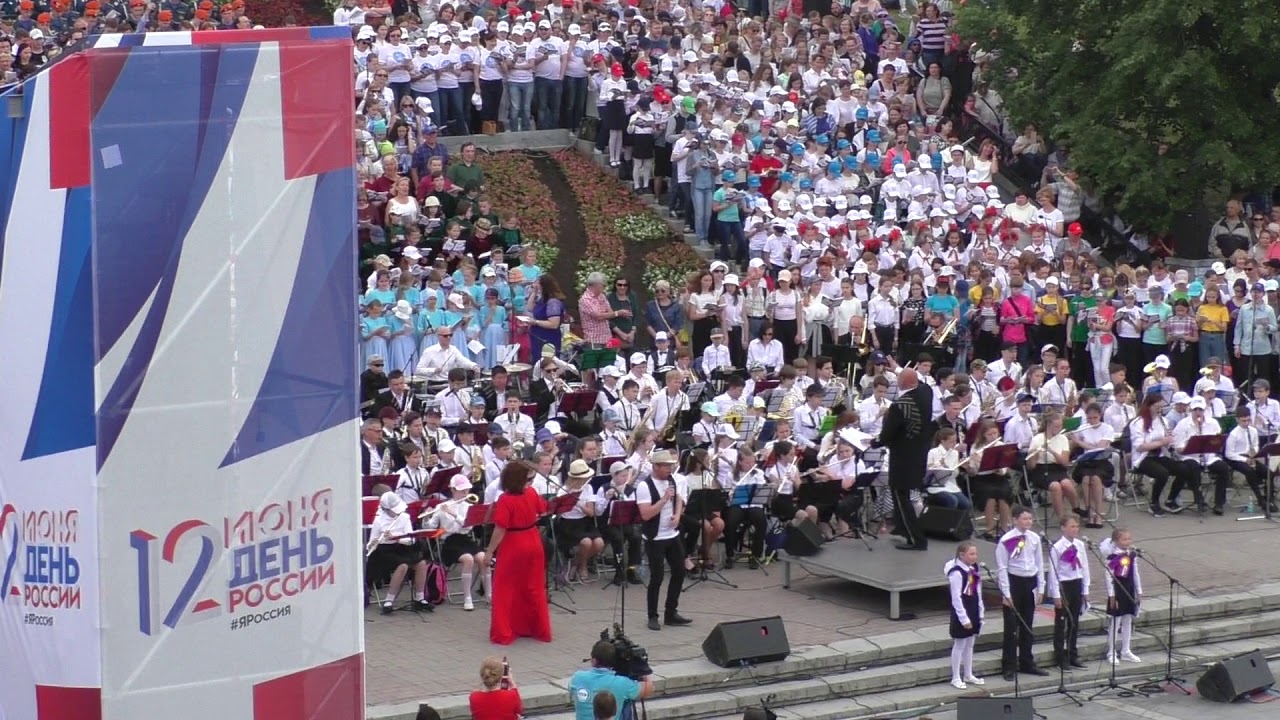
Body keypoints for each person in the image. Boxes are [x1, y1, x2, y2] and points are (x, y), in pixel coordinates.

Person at [484, 461, 552, 644]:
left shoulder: (505, 500)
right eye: (528, 479)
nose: (531, 482)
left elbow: (500, 529)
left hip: (513, 544)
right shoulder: (532, 493)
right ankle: (537, 628)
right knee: (534, 587)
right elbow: (542, 510)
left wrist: (489, 552)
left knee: (505, 588)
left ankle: (504, 631)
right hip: (533, 540)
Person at [878, 368, 934, 550]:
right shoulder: (926, 393)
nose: (897, 381)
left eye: (899, 378)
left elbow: (886, 435)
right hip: (919, 455)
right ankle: (903, 529)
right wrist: (897, 367)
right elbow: (922, 383)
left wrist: (873, 442)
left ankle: (916, 538)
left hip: (902, 459)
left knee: (900, 496)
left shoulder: (899, 405)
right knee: (904, 496)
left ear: (903, 382)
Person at [635, 449, 691, 631]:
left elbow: (679, 499)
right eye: (666, 466)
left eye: (671, 465)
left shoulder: (671, 480)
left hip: (672, 535)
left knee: (679, 572)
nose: (669, 469)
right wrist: (664, 499)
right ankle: (652, 616)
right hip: (655, 537)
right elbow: (646, 514)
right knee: (657, 577)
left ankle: (671, 613)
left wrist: (677, 515)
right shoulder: (644, 486)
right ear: (656, 467)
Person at [995, 506, 1048, 681]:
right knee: (1011, 627)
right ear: (1015, 519)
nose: (1028, 522)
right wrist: (1006, 593)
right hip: (1014, 582)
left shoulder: (1034, 538)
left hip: (1029, 581)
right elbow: (1002, 567)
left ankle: (1027, 662)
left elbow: (1039, 563)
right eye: (1024, 518)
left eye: (1030, 519)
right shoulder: (1006, 540)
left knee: (1027, 624)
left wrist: (1041, 587)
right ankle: (1009, 665)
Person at [366, 491, 429, 614]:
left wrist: (396, 537)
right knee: (403, 565)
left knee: (421, 563)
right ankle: (389, 600)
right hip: (384, 551)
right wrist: (374, 542)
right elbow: (370, 544)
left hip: (402, 548)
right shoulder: (378, 520)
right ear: (386, 509)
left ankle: (420, 598)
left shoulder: (404, 517)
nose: (397, 512)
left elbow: (411, 540)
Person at [568, 639, 654, 720]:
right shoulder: (622, 683)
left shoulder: (577, 678)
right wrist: (643, 668)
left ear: (593, 661)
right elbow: (649, 688)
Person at [1048, 515, 1090, 671]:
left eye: (1077, 526)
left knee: (1074, 621)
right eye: (1072, 526)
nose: (1075, 529)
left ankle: (1072, 653)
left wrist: (1085, 589)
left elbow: (1084, 567)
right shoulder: (1057, 547)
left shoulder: (1079, 545)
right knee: (1061, 622)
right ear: (1063, 528)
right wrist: (1056, 594)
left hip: (1076, 582)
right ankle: (1060, 657)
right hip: (1063, 584)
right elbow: (1053, 572)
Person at [945, 540, 986, 691]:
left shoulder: (973, 569)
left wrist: (980, 612)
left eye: (975, 554)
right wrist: (964, 618)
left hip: (973, 608)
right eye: (971, 554)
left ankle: (968, 674)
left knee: (970, 644)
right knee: (960, 644)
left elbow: (977, 592)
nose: (974, 557)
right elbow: (956, 597)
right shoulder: (957, 573)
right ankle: (956, 677)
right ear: (962, 555)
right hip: (962, 610)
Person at [1100, 528, 1143, 664]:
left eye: (1129, 539)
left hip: (1129, 589)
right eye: (1124, 539)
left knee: (1128, 619)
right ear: (1116, 541)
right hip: (1118, 590)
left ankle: (1125, 650)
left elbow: (1135, 573)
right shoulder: (1112, 557)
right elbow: (1108, 576)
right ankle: (1111, 651)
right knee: (1116, 621)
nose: (1127, 542)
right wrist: (1111, 595)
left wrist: (1139, 590)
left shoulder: (1132, 555)